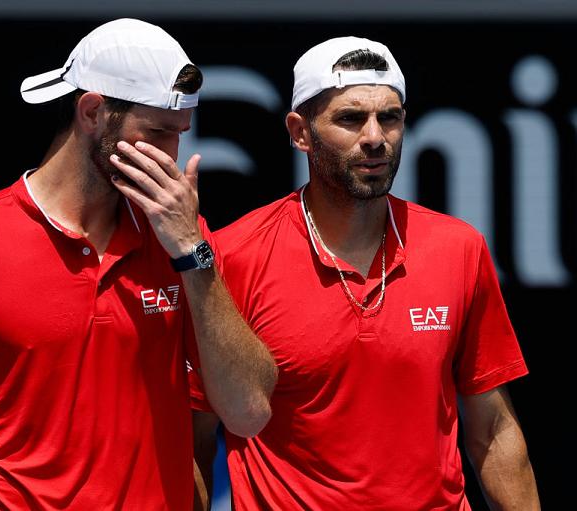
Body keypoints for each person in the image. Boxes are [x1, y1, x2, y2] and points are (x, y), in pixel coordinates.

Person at [0, 18, 276, 510]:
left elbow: (250, 414)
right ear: (92, 112)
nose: (173, 156)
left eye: (180, 135)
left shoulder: (186, 241)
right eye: (157, 132)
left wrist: (192, 255)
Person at [191, 37, 540, 509]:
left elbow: (493, 431)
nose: (375, 137)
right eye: (351, 118)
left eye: (389, 117)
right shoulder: (233, 255)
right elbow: (194, 438)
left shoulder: (458, 248)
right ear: (300, 132)